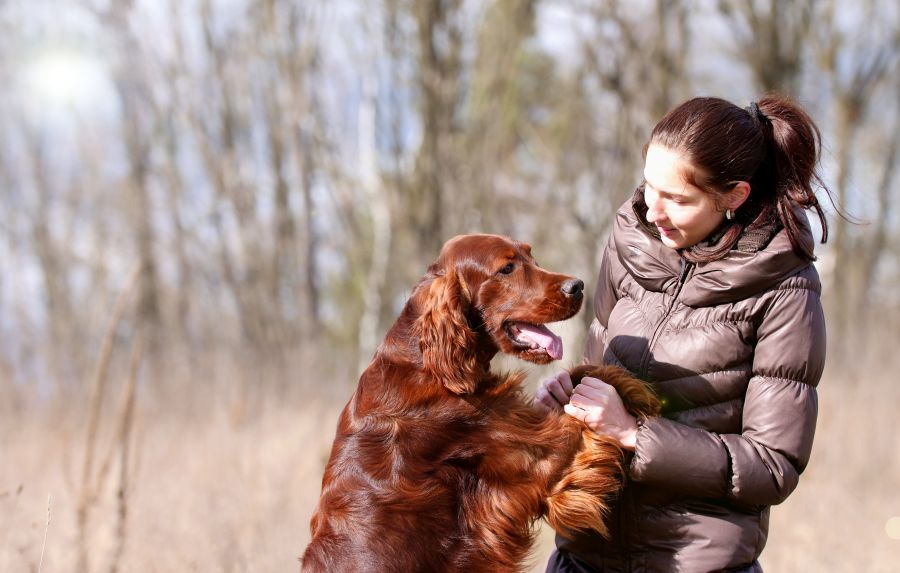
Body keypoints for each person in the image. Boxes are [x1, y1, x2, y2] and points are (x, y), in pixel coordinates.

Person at [536, 95, 831, 572]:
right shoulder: (629, 238)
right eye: (651, 187)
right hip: (583, 556)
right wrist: (566, 404)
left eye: (678, 199)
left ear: (733, 196)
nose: (654, 211)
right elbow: (600, 378)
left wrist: (636, 435)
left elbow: (773, 465)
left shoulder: (785, 287)